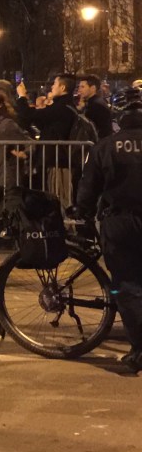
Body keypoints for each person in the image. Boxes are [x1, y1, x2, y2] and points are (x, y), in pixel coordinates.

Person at [75, 87, 142, 374]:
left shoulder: (105, 146)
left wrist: (83, 217)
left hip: (120, 223)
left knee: (126, 285)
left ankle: (139, 348)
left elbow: (88, 190)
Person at [15, 74, 78, 207]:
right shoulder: (64, 106)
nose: (52, 87)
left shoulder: (61, 108)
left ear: (62, 87)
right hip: (54, 161)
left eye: (54, 84)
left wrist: (22, 97)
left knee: (58, 198)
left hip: (58, 162)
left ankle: (63, 226)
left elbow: (30, 115)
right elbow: (41, 122)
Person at [77, 74, 113, 139]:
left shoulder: (96, 105)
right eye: (79, 87)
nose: (79, 90)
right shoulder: (92, 103)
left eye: (82, 87)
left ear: (93, 88)